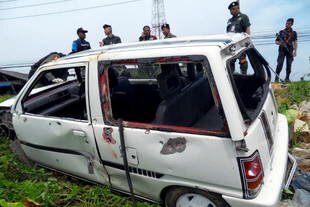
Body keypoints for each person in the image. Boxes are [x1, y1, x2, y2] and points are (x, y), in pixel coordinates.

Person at [226, 1, 251, 75]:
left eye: (233, 9)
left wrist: (247, 40)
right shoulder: (229, 20)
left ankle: (244, 74)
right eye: (230, 10)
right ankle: (231, 75)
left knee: (242, 60)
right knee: (230, 61)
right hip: (231, 43)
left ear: (238, 8)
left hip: (240, 43)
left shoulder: (244, 17)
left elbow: (247, 30)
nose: (231, 11)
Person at [275, 18, 298, 83]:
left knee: (289, 65)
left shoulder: (294, 33)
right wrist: (280, 43)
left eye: (288, 23)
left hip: (290, 50)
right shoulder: (281, 32)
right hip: (282, 50)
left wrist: (295, 51)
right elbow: (276, 41)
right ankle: (277, 77)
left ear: (292, 24)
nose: (287, 24)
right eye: (286, 23)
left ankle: (287, 78)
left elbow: (295, 42)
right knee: (279, 64)